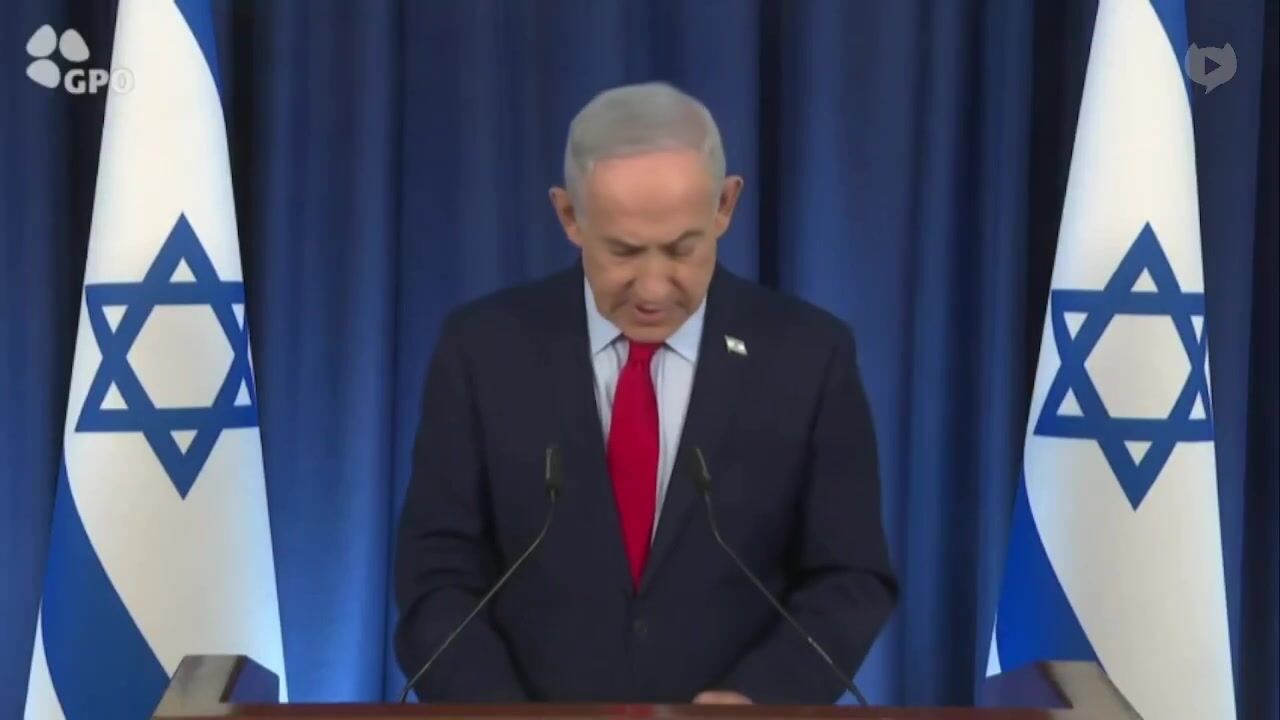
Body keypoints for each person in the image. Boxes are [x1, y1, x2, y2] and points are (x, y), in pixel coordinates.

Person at [394, 81, 896, 705]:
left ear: (725, 205)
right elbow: (436, 578)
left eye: (683, 249)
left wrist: (763, 698)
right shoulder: (483, 350)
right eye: (624, 252)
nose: (654, 288)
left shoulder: (809, 356)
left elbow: (850, 577)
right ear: (569, 217)